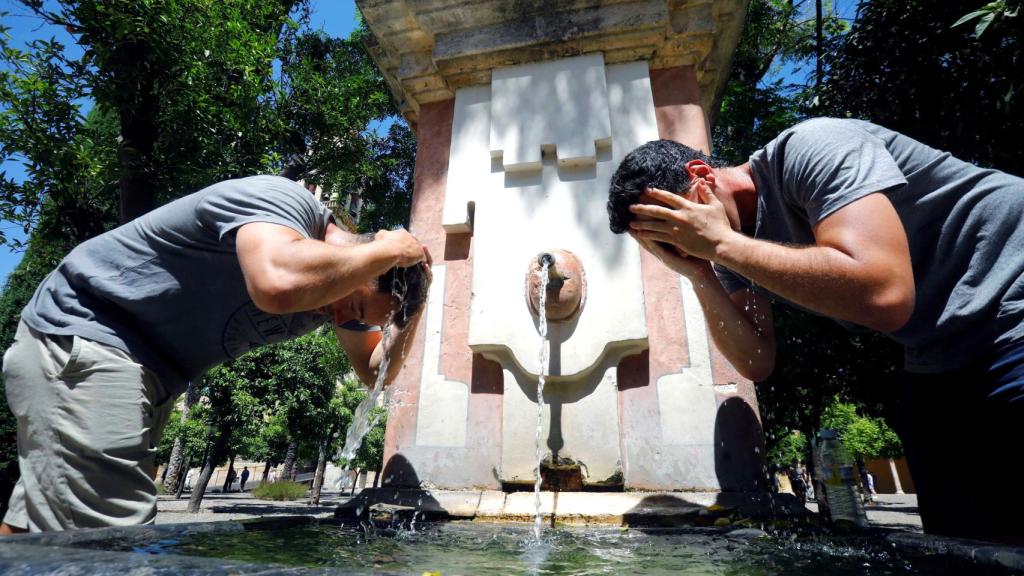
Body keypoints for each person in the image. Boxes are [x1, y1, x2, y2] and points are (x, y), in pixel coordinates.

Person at [608, 118, 1024, 542]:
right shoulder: (732, 248)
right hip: (941, 349)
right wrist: (699, 272)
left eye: (673, 227)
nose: (678, 246)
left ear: (701, 176)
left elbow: (884, 295)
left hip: (1012, 288)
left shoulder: (813, 148)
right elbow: (756, 360)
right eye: (662, 244)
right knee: (959, 543)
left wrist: (719, 245)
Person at [1, 175, 430, 534]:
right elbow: (276, 283)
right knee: (110, 536)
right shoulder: (285, 200)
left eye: (358, 318)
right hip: (92, 334)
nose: (340, 318)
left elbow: (375, 372)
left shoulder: (334, 291)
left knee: (35, 530)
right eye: (354, 307)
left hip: (150, 373)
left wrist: (412, 309)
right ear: (365, 256)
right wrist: (392, 249)